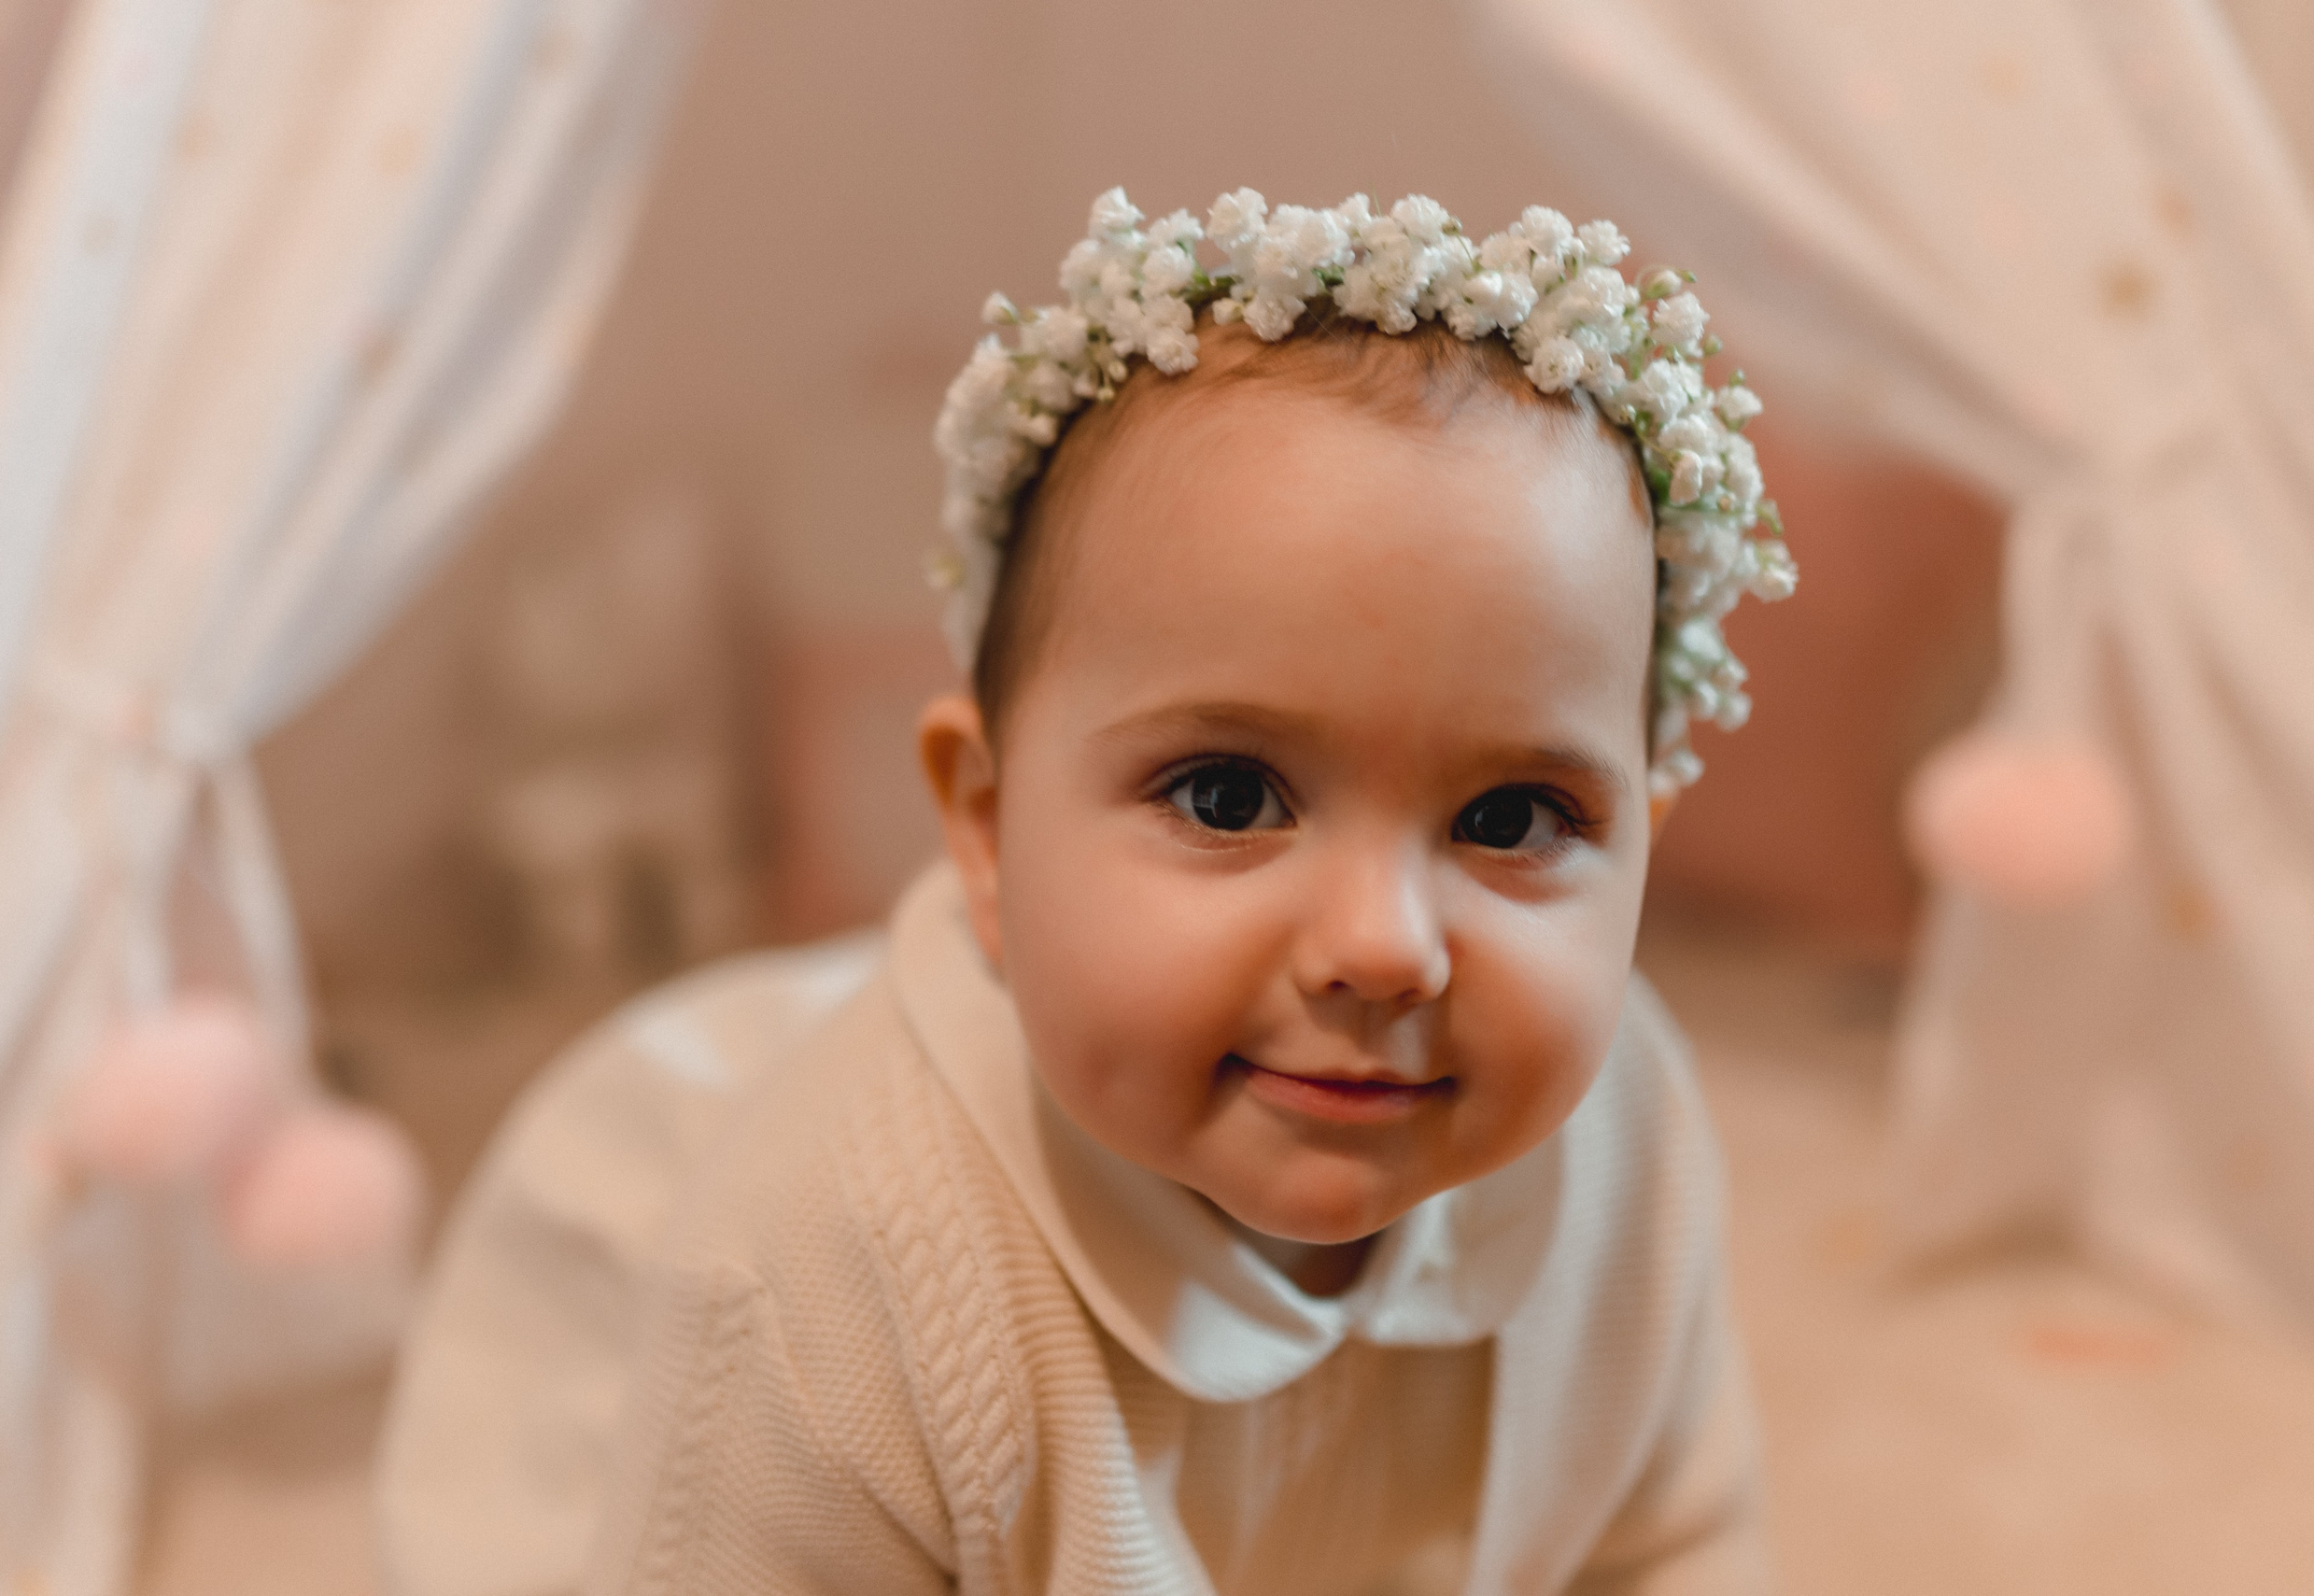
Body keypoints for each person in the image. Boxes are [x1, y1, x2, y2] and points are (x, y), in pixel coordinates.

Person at [581, 187, 1796, 1595]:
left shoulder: (1627, 1136)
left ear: (1642, 851)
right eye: (1227, 798)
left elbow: (1670, 1542)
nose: (1382, 947)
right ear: (984, 826)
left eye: (1510, 816)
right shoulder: (824, 1278)